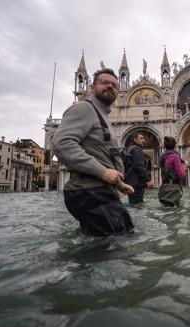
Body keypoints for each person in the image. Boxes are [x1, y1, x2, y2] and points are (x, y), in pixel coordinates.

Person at [52, 68, 135, 237]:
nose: (110, 86)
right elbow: (62, 143)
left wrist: (119, 184)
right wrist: (103, 172)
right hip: (90, 192)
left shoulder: (102, 116)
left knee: (112, 240)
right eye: (104, 83)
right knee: (116, 245)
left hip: (100, 191)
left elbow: (103, 155)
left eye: (114, 85)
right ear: (91, 87)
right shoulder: (84, 108)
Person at [158, 136, 187, 207]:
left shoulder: (162, 157)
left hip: (163, 189)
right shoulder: (175, 156)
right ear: (175, 145)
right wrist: (185, 167)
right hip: (173, 190)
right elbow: (182, 175)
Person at [125, 133, 153, 204]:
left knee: (133, 203)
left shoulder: (130, 148)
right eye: (141, 138)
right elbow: (139, 166)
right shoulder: (136, 149)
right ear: (135, 139)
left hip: (131, 182)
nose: (144, 140)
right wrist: (148, 180)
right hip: (136, 183)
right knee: (137, 205)